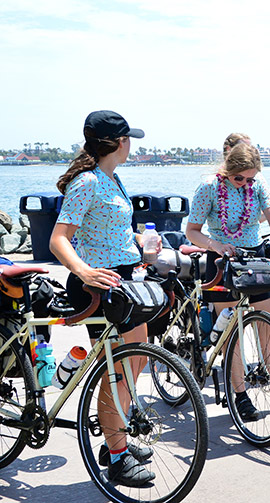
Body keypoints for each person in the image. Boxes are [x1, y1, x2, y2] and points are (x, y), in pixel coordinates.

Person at [49, 110, 156, 486]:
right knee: (117, 373)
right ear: (119, 142)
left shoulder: (113, 178)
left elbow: (112, 231)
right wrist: (82, 271)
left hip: (125, 280)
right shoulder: (87, 182)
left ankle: (117, 434)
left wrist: (141, 246)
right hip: (97, 286)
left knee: (136, 360)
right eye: (129, 139)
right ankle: (116, 455)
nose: (132, 145)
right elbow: (58, 238)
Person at [185, 141, 270, 419]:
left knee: (269, 329)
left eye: (250, 178)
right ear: (227, 169)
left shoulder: (257, 184)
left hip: (255, 262)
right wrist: (215, 245)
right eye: (238, 177)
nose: (244, 183)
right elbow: (191, 231)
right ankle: (240, 397)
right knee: (233, 335)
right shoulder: (208, 187)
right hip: (221, 263)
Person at [222, 133, 270, 222]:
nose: (249, 151)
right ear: (229, 150)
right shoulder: (213, 182)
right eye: (243, 147)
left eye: (250, 147)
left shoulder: (257, 179)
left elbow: (255, 221)